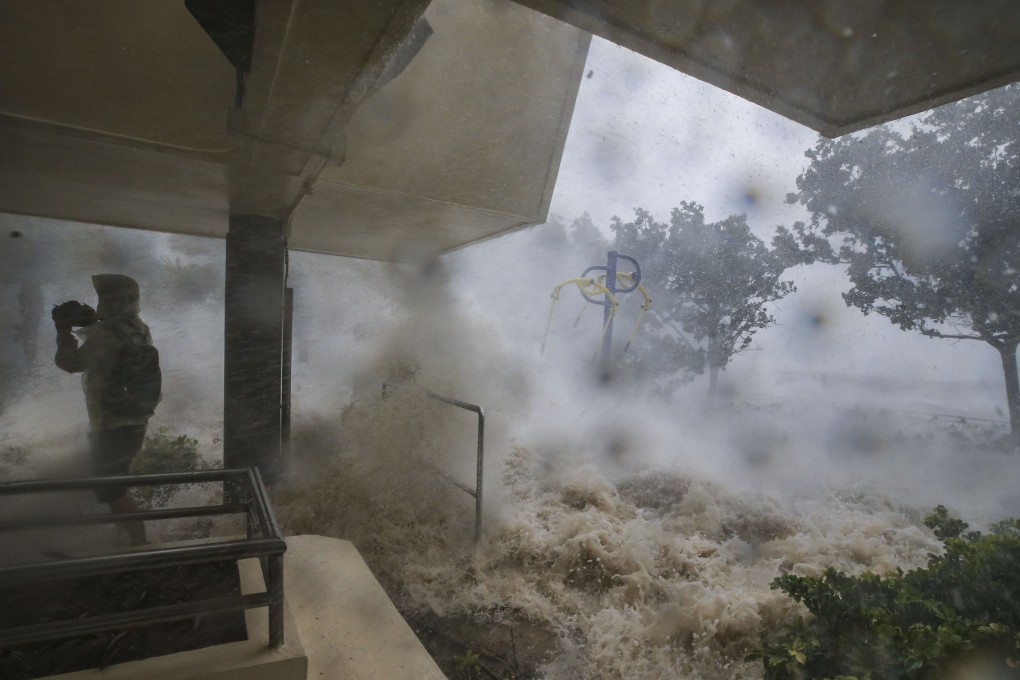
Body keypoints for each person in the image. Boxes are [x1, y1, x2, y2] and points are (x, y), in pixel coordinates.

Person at [53, 274, 160, 545]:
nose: (105, 304)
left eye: (108, 299)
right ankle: (128, 540)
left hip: (111, 423)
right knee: (112, 484)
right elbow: (115, 349)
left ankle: (140, 546)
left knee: (111, 488)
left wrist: (63, 332)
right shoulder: (139, 327)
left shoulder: (106, 333)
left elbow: (71, 363)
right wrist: (94, 322)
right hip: (133, 419)